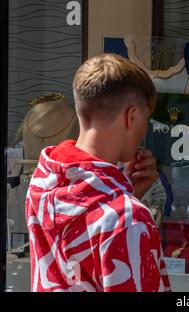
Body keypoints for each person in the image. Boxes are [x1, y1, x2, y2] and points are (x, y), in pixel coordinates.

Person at [25, 54, 171, 292]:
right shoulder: (128, 218)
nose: (145, 130)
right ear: (131, 116)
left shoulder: (42, 184)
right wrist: (125, 200)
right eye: (146, 118)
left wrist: (126, 191)